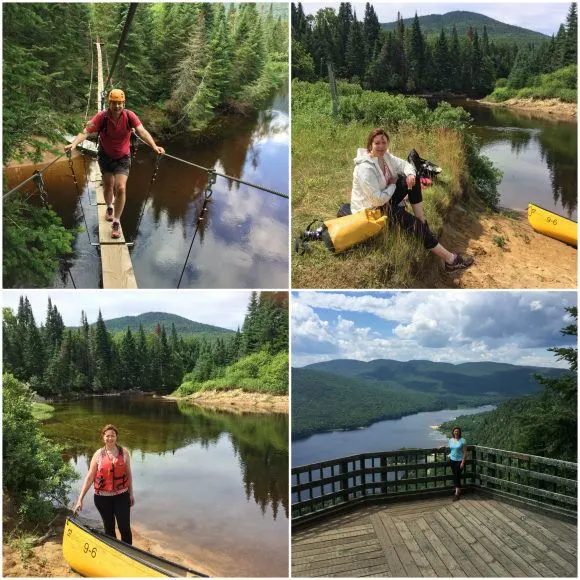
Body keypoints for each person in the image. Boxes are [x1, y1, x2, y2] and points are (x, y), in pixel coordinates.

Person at [351, 128, 474, 272]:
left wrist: (410, 175)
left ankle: (422, 221)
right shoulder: (365, 168)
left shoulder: (385, 157)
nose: (381, 146)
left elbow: (405, 165)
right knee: (414, 225)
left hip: (385, 199)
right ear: (370, 145)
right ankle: (451, 260)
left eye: (384, 142)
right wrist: (392, 184)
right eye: (377, 143)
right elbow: (377, 200)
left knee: (412, 179)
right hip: (371, 209)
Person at [65, 89, 165, 239]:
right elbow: (86, 132)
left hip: (123, 158)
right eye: (114, 103)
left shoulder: (130, 116)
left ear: (124, 103)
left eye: (120, 103)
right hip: (105, 157)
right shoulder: (101, 117)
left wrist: (154, 146)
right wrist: (73, 144)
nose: (117, 106)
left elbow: (142, 131)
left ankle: (116, 222)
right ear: (109, 103)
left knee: (121, 187)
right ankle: (110, 207)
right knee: (108, 187)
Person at [73, 424, 134, 544]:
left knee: (124, 527)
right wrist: (80, 499)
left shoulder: (124, 453)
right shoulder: (97, 455)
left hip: (121, 496)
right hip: (102, 498)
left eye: (113, 435)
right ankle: (113, 553)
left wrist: (131, 494)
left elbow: (129, 475)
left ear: (116, 437)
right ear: (103, 437)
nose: (110, 438)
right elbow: (89, 478)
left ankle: (129, 553)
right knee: (109, 528)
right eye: (107, 436)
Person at [447, 425, 466, 501]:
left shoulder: (463, 440)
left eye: (457, 431)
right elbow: (451, 449)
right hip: (452, 460)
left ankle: (457, 494)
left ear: (459, 432)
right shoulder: (450, 440)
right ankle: (458, 489)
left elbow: (465, 452)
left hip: (459, 461)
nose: (456, 432)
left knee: (457, 475)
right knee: (455, 475)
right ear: (453, 432)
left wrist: (463, 462)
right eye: (455, 431)